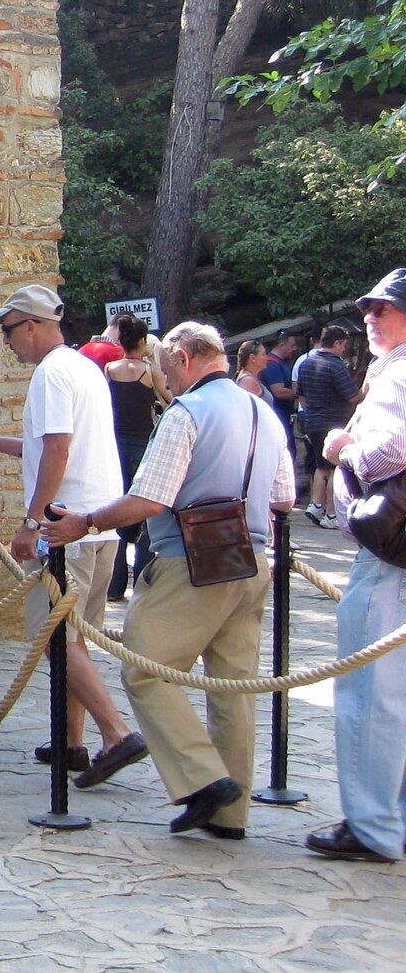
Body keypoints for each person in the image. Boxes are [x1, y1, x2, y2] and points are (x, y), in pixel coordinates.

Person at [44, 321, 295, 840]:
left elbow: (149, 501)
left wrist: (84, 522)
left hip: (190, 562)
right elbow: (285, 497)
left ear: (182, 357)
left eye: (166, 367)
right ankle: (230, 815)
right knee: (232, 688)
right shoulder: (263, 413)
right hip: (252, 563)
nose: (165, 379)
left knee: (145, 668)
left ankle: (205, 782)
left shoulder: (188, 414)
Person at [0, 284, 147, 787]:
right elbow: (50, 445)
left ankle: (115, 733)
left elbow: (57, 451)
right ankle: (72, 741)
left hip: (63, 528)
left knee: (53, 636)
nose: (7, 342)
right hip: (98, 523)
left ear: (31, 326)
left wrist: (32, 523)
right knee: (76, 638)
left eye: (8, 331)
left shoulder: (51, 373)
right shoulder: (83, 367)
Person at [306, 269, 406, 862]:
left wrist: (345, 447)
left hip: (388, 553)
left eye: (384, 310)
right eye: (369, 308)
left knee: (372, 690)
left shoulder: (398, 370)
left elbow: (395, 447)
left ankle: (372, 826)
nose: (370, 317)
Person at [104, 316, 170, 600]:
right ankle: (142, 576)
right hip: (143, 443)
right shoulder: (148, 370)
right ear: (143, 342)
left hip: (116, 443)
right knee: (145, 512)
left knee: (118, 512)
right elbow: (169, 401)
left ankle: (114, 583)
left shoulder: (110, 369)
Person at [299, 325, 360, 528]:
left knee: (321, 467)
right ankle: (332, 514)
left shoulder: (306, 363)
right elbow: (353, 396)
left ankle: (315, 505)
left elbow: (301, 395)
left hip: (312, 423)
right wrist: (367, 387)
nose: (344, 349)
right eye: (344, 345)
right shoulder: (335, 366)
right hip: (334, 424)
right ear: (337, 343)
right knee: (337, 467)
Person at [260, 330, 302, 463]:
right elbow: (279, 392)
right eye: (292, 345)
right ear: (281, 345)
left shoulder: (283, 362)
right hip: (277, 414)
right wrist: (302, 393)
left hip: (285, 414)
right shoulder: (272, 364)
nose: (294, 349)